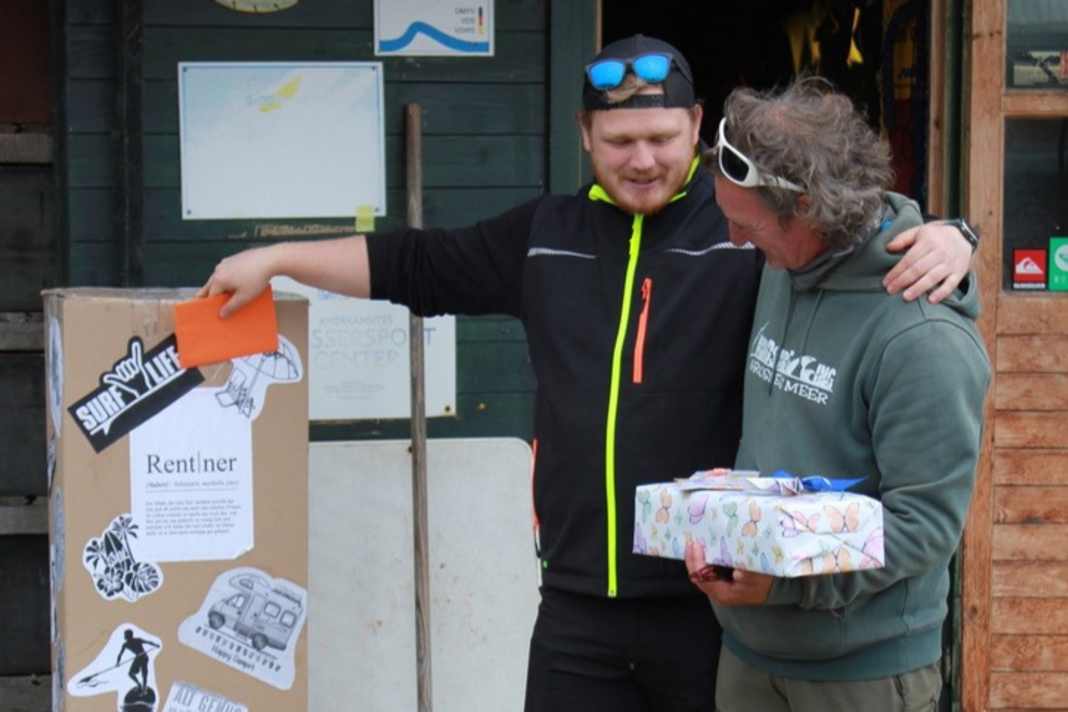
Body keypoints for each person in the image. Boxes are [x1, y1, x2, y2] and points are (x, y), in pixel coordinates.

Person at [199, 36, 975, 712]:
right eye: (620, 139)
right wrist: (278, 259)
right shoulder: (546, 237)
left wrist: (955, 239)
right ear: (585, 136)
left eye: (663, 137)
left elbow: (851, 229)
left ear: (698, 128)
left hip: (713, 610)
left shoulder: (747, 236)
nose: (643, 159)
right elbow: (413, 262)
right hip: (577, 610)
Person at [683, 77, 990, 711]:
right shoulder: (786, 266)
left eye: (748, 224)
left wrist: (783, 583)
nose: (737, 241)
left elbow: (923, 527)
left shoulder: (921, 336)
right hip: (748, 652)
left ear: (811, 210)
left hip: (861, 672)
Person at [117, 628, 159, 693]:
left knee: (144, 674)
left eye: (126, 635)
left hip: (144, 657)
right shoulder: (125, 644)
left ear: (130, 635)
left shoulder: (138, 640)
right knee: (130, 673)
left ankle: (144, 689)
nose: (125, 636)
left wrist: (155, 645)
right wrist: (118, 663)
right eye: (125, 635)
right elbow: (120, 654)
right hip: (137, 657)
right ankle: (139, 685)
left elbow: (148, 642)